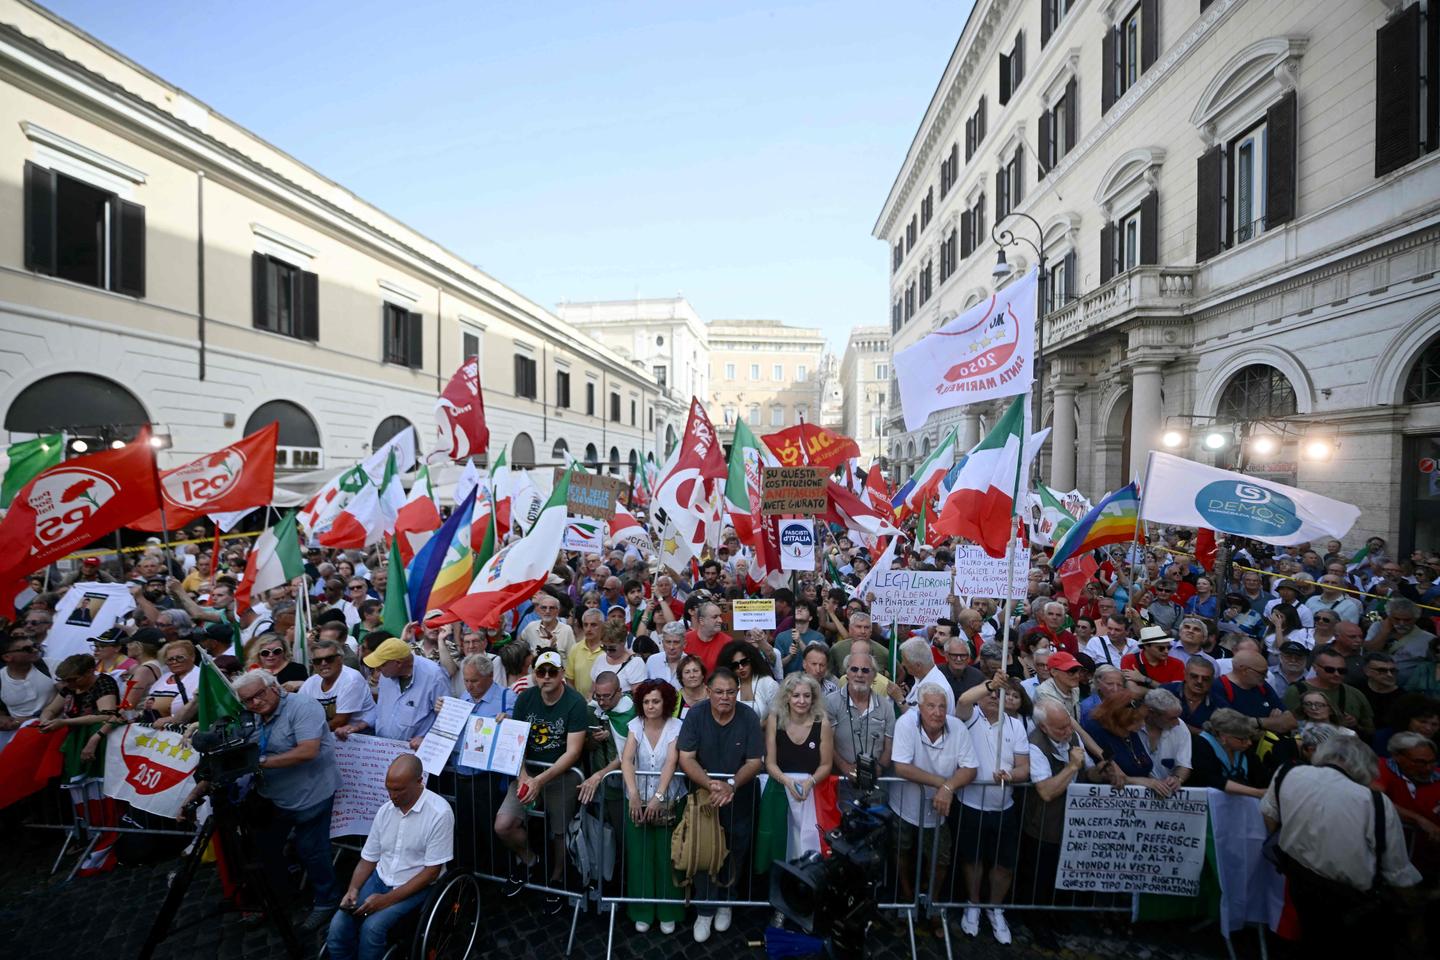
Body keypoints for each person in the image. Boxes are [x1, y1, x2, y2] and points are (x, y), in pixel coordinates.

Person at [1261, 736, 1421, 952]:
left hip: (1298, 877)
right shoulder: (1372, 801)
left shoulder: (1289, 772)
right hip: (1350, 900)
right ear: (1364, 766)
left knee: (1310, 938)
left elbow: (1270, 814)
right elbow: (1396, 868)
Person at [231, 670, 342, 931]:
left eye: (259, 694)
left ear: (275, 688)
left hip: (310, 793)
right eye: (248, 700)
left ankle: (327, 902)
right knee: (266, 851)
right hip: (271, 795)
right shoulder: (250, 716)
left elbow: (308, 750)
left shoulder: (303, 706)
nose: (255, 703)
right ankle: (280, 900)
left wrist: (259, 763)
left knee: (312, 851)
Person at [327, 754, 453, 960]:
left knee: (372, 928)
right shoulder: (385, 811)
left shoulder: (439, 813)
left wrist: (386, 901)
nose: (391, 796)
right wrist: (353, 889)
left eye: (399, 790)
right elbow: (369, 857)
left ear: (419, 782)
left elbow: (431, 873)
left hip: (417, 886)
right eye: (389, 788)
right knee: (337, 928)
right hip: (380, 878)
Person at [495, 650, 589, 912]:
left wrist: (541, 779)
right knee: (504, 824)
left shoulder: (575, 702)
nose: (546, 677)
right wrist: (523, 774)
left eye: (551, 672)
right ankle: (530, 861)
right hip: (529, 769)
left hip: (562, 774)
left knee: (559, 831)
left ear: (561, 674)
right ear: (534, 674)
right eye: (540, 671)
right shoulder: (525, 698)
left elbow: (573, 751)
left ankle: (557, 878)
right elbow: (517, 739)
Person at [677, 667, 765, 943]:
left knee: (735, 852)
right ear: (707, 691)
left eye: (730, 692)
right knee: (704, 854)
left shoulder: (749, 717)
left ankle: (727, 900)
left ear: (737, 692)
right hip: (704, 801)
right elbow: (686, 757)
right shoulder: (696, 715)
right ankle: (705, 909)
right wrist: (709, 784)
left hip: (740, 800)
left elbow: (755, 761)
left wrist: (731, 785)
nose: (724, 697)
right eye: (719, 692)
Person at [1019, 699, 1120, 907]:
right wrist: (1072, 766)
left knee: (1063, 878)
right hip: (1044, 825)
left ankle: (1060, 917)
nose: (1067, 731)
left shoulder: (1073, 736)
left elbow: (1088, 771)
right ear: (1043, 726)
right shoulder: (1035, 744)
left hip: (1073, 825)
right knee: (1041, 879)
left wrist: (1102, 770)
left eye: (1068, 724)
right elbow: (1046, 791)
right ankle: (1037, 921)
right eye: (1060, 728)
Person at [889, 683, 978, 917]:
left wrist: (949, 786)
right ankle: (907, 895)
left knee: (940, 857)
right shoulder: (905, 724)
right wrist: (943, 784)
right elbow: (901, 767)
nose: (937, 712)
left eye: (942, 706)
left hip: (939, 810)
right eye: (930, 706)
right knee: (902, 850)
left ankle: (932, 899)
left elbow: (971, 768)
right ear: (919, 707)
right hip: (904, 805)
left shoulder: (957, 727)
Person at [952, 672, 1029, 944]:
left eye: (999, 695)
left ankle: (995, 908)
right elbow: (963, 699)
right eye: (989, 694)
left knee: (1003, 865)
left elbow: (1024, 768)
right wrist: (990, 684)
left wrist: (1012, 776)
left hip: (1004, 807)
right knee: (972, 861)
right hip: (971, 805)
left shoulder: (1016, 726)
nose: (993, 698)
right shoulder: (970, 718)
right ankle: (972, 904)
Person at [758, 672, 835, 922]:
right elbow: (770, 762)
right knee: (781, 846)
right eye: (796, 695)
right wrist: (788, 781)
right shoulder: (775, 718)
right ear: (787, 697)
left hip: (812, 794)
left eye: (806, 696)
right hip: (781, 790)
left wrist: (809, 782)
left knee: (809, 849)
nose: (801, 700)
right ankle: (781, 906)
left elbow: (826, 764)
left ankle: (808, 906)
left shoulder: (821, 722)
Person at [620, 679, 686, 935]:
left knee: (668, 858)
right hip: (637, 800)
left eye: (655, 701)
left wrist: (658, 796)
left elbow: (671, 761)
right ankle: (642, 911)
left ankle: (669, 910)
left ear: (666, 702)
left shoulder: (676, 726)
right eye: (646, 701)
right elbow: (627, 759)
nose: (650, 706)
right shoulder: (635, 725)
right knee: (640, 858)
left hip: (669, 800)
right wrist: (634, 794)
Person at [338, 637, 451, 747]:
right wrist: (358, 726)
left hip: (416, 754)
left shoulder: (435, 676)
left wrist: (428, 739)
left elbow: (447, 719)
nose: (377, 669)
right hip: (383, 750)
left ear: (398, 663)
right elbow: (381, 710)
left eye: (382, 664)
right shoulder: (386, 675)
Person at [826, 649, 895, 808]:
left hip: (876, 785)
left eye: (865, 670)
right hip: (842, 783)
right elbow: (827, 743)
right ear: (846, 673)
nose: (859, 674)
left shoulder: (886, 706)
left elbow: (889, 746)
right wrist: (845, 767)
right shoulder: (830, 702)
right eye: (854, 669)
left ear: (874, 676)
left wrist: (879, 768)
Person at [1083, 697, 1173, 795]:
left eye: (1144, 719)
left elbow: (1143, 767)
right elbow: (1107, 774)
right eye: (1137, 721)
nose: (1143, 724)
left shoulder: (1129, 732)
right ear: (1120, 719)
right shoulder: (1097, 732)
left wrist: (1158, 784)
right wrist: (1141, 781)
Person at [1282, 645, 1375, 739]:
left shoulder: (1355, 694)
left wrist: (1355, 724)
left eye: (1341, 670)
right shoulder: (1296, 691)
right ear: (1315, 668)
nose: (1336, 674)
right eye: (1330, 670)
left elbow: (1369, 729)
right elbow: (1286, 724)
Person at [1189, 708, 1269, 797]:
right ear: (1223, 737)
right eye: (1243, 739)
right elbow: (1212, 780)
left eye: (1249, 738)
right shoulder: (1201, 746)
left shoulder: (1245, 750)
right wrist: (1257, 793)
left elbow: (1262, 778)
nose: (1249, 743)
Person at [298, 638, 375, 731]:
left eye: (329, 659)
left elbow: (340, 721)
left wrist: (306, 732)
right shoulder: (311, 682)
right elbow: (297, 710)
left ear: (341, 659)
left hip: (360, 733)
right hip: (330, 733)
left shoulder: (352, 679)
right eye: (317, 661)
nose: (323, 663)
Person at [0, 633, 55, 740]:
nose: (35, 650)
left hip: (52, 728)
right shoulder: (0, 678)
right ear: (7, 657)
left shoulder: (50, 665)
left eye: (35, 646)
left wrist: (32, 719)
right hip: (17, 735)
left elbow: (67, 693)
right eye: (27, 649)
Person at [1140, 687, 1191, 789]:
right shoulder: (1132, 726)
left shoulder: (1181, 726)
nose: (1177, 723)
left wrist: (1177, 779)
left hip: (1167, 793)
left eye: (1178, 717)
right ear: (1151, 713)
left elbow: (1184, 764)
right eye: (1172, 718)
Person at [145, 640, 199, 725]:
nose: (174, 662)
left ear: (192, 657)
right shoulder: (164, 677)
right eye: (170, 659)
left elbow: (199, 707)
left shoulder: (200, 677)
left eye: (180, 658)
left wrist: (171, 719)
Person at [722, 638, 778, 719]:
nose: (741, 667)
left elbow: (777, 716)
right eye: (735, 665)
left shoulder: (768, 683)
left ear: (752, 661)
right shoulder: (728, 685)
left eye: (744, 662)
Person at [898, 637, 954, 715]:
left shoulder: (937, 689)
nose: (902, 664)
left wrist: (899, 699)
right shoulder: (921, 676)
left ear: (918, 666)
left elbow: (918, 722)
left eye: (905, 660)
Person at [591, 622, 647, 693]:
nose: (607, 652)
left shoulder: (635, 663)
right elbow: (592, 691)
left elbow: (637, 697)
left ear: (623, 642)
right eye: (604, 647)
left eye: (612, 648)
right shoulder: (600, 659)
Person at [566, 608, 608, 699]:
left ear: (603, 626)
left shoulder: (609, 650)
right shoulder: (575, 649)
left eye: (593, 625)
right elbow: (569, 680)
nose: (588, 629)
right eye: (585, 625)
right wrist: (577, 701)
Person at [520, 594, 576, 658]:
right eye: (544, 608)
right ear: (539, 610)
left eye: (551, 608)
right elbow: (520, 642)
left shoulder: (566, 630)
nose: (547, 611)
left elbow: (573, 657)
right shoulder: (531, 627)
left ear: (558, 611)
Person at [777, 601, 826, 675]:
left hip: (811, 681)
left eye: (804, 608)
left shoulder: (818, 637)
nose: (799, 610)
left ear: (810, 617)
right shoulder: (781, 636)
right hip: (788, 682)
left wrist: (799, 641)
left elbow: (817, 660)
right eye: (797, 608)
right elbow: (777, 667)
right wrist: (790, 656)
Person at [683, 602, 732, 674]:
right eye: (715, 617)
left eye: (720, 616)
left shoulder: (728, 642)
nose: (720, 620)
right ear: (701, 621)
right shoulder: (685, 640)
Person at [674, 654, 708, 719]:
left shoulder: (713, 694)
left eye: (695, 671)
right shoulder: (675, 699)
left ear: (703, 675)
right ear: (681, 678)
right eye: (687, 672)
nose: (692, 675)